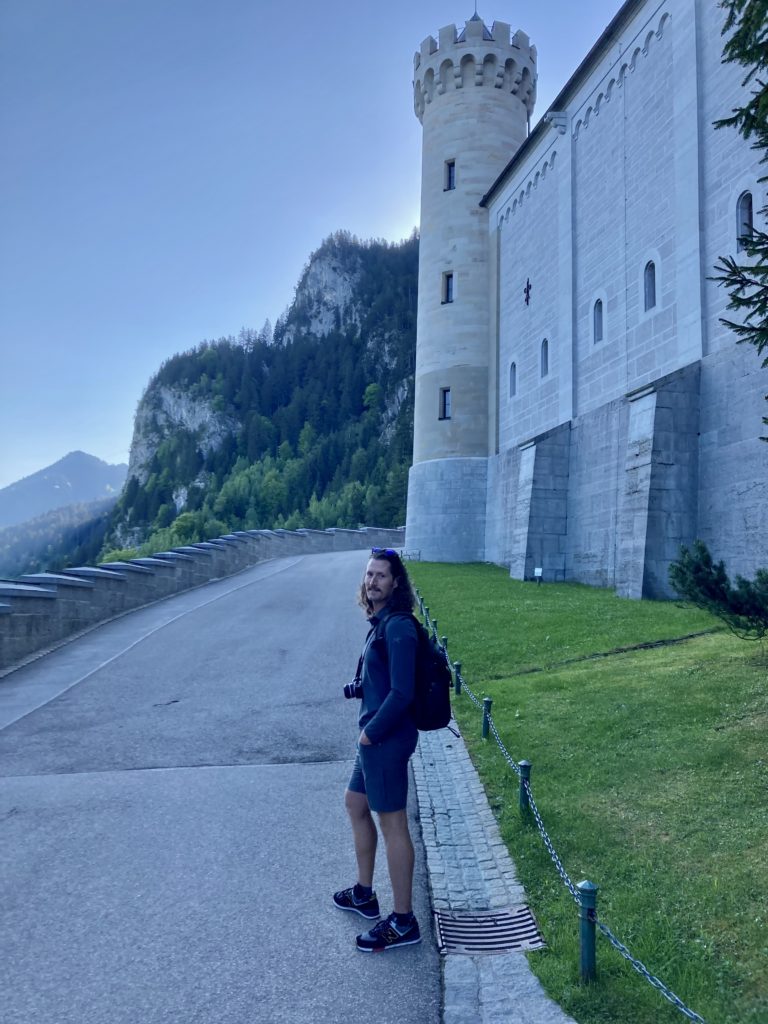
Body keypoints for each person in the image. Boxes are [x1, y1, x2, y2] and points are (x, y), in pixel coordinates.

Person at [333, 547, 421, 952]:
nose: (372, 582)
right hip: (374, 736)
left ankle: (404, 921)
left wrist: (371, 734)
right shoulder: (381, 623)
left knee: (393, 825)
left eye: (381, 576)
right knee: (355, 803)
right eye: (369, 575)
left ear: (396, 583)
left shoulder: (400, 627)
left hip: (384, 737)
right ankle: (365, 894)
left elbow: (403, 693)